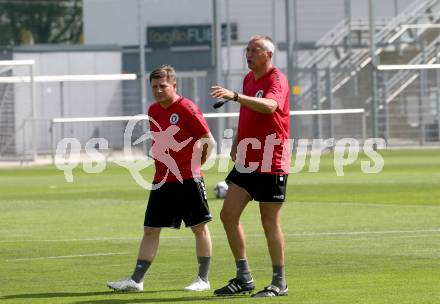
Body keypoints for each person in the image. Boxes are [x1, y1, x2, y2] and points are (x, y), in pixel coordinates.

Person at [107, 65, 215, 292]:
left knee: (199, 228)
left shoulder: (187, 108)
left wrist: (197, 165)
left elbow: (209, 141)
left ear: (174, 85)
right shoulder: (153, 110)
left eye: (163, 86)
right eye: (154, 86)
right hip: (162, 180)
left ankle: (203, 279)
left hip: (188, 178)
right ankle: (136, 280)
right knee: (150, 229)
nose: (158, 90)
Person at [210, 35, 290, 297]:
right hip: (247, 160)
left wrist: (234, 96)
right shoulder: (248, 79)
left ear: (268, 55)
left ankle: (279, 282)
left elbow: (269, 106)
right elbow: (248, 113)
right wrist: (236, 141)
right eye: (247, 49)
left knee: (269, 222)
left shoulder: (277, 79)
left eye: (255, 50)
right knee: (228, 215)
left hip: (271, 160)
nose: (249, 53)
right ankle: (244, 278)